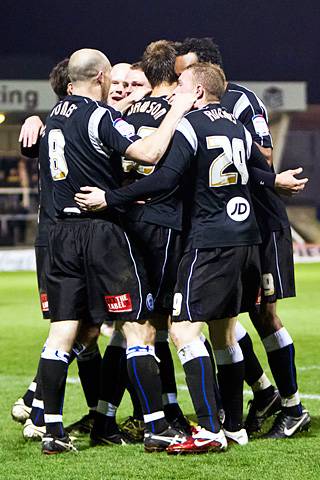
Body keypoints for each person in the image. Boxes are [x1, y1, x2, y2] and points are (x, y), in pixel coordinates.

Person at [74, 63, 307, 453]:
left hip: (209, 241)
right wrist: (276, 180)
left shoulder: (190, 123)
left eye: (181, 85)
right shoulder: (233, 121)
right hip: (245, 240)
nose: (176, 91)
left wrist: (110, 197)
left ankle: (211, 430)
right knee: (224, 333)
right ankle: (234, 427)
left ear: (197, 92)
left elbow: (163, 178)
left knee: (183, 330)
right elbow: (253, 169)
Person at [39, 48, 195, 455]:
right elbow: (148, 153)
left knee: (63, 330)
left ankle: (51, 431)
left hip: (59, 234)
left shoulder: (52, 117)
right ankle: (156, 426)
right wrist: (177, 110)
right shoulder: (98, 116)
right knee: (138, 326)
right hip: (100, 233)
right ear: (103, 76)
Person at [174, 37, 311, 438]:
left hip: (259, 220)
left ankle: (292, 406)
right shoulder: (188, 106)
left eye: (185, 72)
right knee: (223, 318)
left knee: (262, 314)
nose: (179, 79)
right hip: (226, 227)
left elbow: (263, 157)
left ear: (206, 73)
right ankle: (259, 397)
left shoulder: (241, 102)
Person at [13, 58, 102, 442]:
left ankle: (41, 404)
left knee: (85, 327)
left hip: (70, 236)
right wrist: (35, 120)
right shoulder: (76, 122)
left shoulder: (70, 121)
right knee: (75, 326)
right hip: (64, 238)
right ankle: (44, 410)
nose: (118, 88)